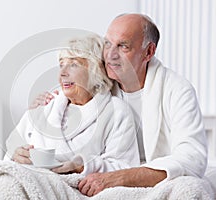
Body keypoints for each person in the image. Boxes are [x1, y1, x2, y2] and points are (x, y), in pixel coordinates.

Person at [34, 13, 208, 197]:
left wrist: (120, 177)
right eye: (108, 43)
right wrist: (44, 107)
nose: (110, 55)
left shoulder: (177, 90)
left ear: (148, 52)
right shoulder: (99, 84)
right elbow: (69, 108)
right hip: (105, 173)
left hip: (150, 178)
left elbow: (192, 158)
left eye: (123, 46)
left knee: (190, 188)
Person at [5, 34, 140, 175]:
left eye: (74, 65)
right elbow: (9, 153)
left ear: (95, 70)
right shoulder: (45, 106)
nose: (62, 73)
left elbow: (125, 167)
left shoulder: (116, 112)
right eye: (61, 64)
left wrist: (81, 166)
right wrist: (16, 155)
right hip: (29, 180)